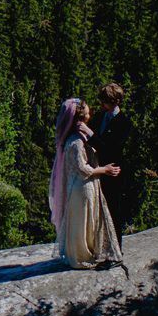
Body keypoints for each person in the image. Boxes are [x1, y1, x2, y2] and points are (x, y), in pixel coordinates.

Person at [49, 97, 122, 268]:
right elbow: (83, 169)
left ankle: (86, 251)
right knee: (84, 221)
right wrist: (105, 170)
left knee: (85, 221)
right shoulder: (75, 141)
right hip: (83, 186)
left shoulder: (77, 136)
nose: (91, 115)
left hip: (84, 185)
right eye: (88, 113)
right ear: (80, 118)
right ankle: (82, 255)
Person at [90, 80, 139, 240]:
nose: (103, 104)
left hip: (114, 173)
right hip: (98, 169)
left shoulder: (124, 122)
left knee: (113, 212)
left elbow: (112, 148)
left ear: (116, 101)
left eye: (107, 101)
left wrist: (91, 136)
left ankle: (116, 250)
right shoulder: (99, 117)